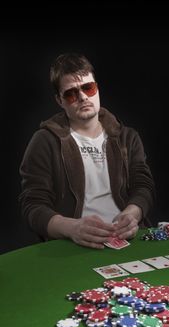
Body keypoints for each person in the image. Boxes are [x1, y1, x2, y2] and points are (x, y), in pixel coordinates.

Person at [19, 53, 155, 249]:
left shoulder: (127, 137)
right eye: (71, 93)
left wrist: (132, 214)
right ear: (59, 100)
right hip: (74, 246)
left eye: (88, 88)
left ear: (97, 88)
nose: (82, 97)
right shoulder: (44, 141)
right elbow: (32, 205)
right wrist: (72, 228)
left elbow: (143, 186)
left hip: (130, 239)